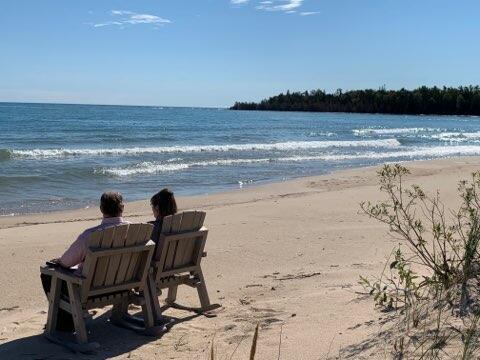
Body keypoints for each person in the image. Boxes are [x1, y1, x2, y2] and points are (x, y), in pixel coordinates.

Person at [41, 191, 129, 331]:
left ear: (101, 209)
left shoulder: (90, 235)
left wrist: (60, 262)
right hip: (124, 287)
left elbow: (66, 263)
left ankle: (65, 323)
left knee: (48, 274)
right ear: (122, 208)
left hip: (90, 291)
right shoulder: (134, 231)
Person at [149, 188, 177, 258]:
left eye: (152, 205)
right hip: (178, 259)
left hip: (158, 264)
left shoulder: (152, 227)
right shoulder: (180, 224)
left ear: (157, 207)